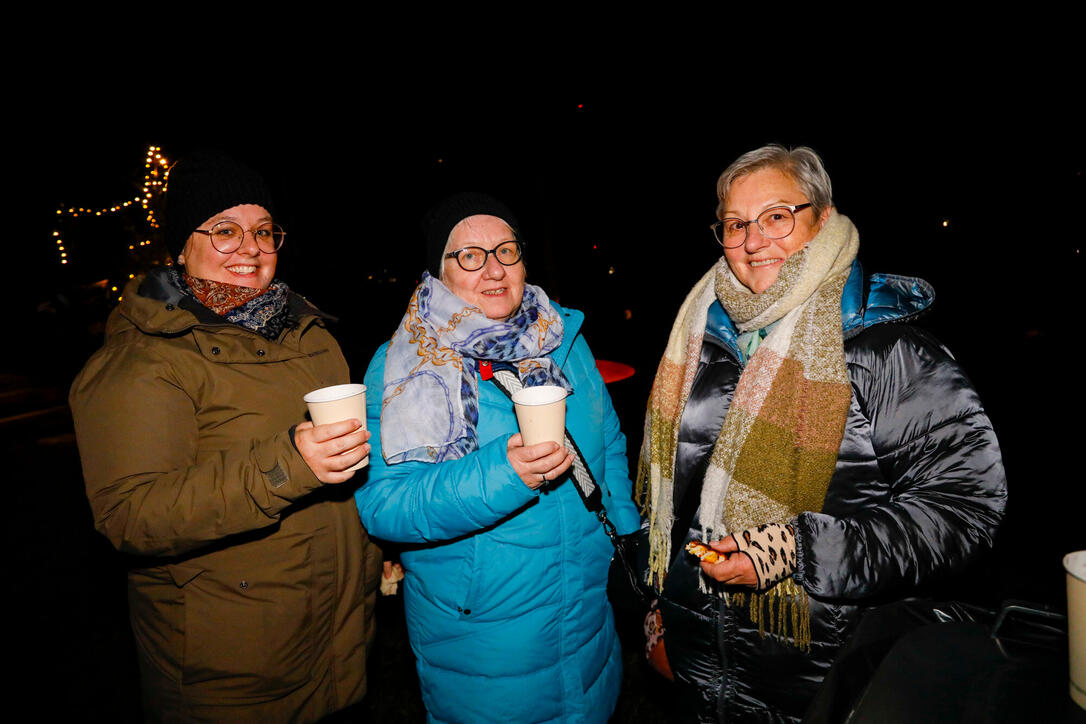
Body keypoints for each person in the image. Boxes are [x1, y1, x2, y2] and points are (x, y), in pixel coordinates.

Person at [636, 144, 1007, 722]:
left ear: (823, 218)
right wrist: (664, 611)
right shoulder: (697, 337)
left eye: (777, 217)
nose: (753, 241)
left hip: (834, 680)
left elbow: (965, 509)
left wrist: (796, 548)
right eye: (735, 224)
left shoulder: (890, 353)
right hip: (705, 679)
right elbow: (679, 503)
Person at [69, 152, 382, 722]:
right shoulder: (143, 360)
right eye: (224, 231)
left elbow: (349, 470)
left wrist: (376, 547)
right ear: (180, 247)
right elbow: (131, 515)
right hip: (233, 674)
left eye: (264, 231)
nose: (251, 247)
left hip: (338, 643)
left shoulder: (310, 336)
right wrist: (284, 465)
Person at [355, 192, 640, 723]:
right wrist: (501, 474)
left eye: (506, 250)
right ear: (437, 272)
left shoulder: (562, 340)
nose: (493, 269)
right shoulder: (405, 365)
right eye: (469, 255)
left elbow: (610, 442)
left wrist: (624, 535)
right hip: (483, 640)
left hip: (586, 616)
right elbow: (384, 506)